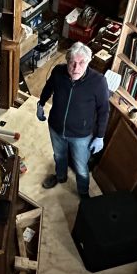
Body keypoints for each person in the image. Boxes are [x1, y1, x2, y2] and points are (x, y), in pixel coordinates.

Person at [36, 41, 110, 199]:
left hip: (81, 135)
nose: (76, 68)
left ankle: (83, 192)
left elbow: (104, 110)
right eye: (72, 63)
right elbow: (48, 88)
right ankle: (60, 177)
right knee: (59, 156)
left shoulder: (98, 82)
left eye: (81, 63)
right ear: (67, 61)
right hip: (56, 127)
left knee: (81, 166)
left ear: (88, 62)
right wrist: (41, 104)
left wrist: (100, 136)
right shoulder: (58, 72)